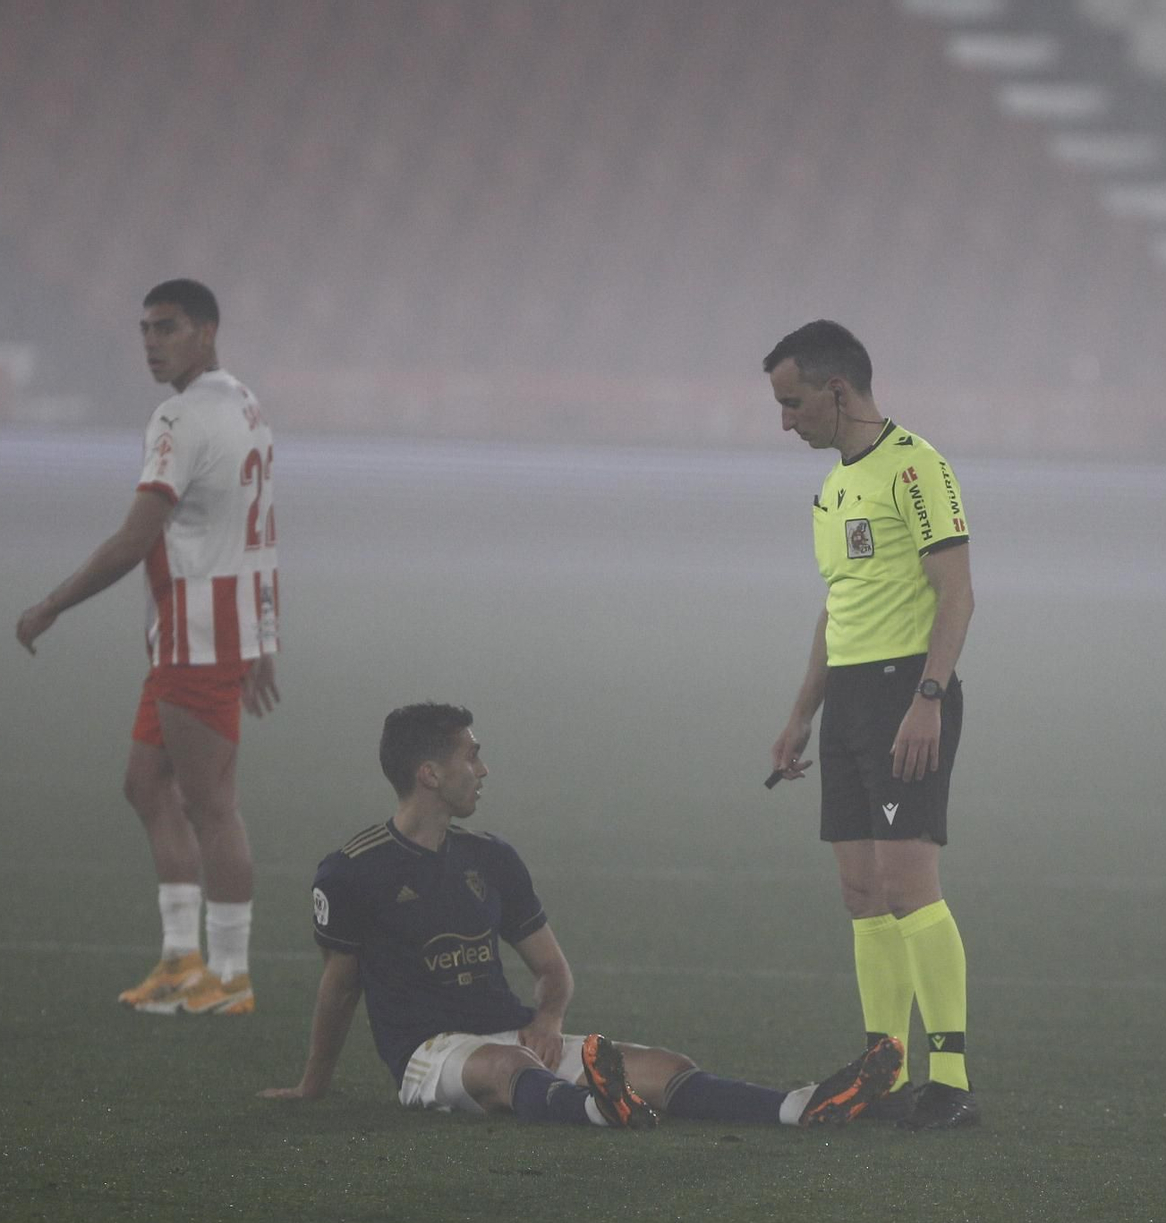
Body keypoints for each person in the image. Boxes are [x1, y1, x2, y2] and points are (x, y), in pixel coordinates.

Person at [260, 702, 905, 1129]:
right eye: (471, 755)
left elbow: (552, 969)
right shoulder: (351, 871)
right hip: (428, 1055)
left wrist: (547, 1018)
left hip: (511, 1033)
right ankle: (602, 1110)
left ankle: (800, 1107)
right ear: (429, 774)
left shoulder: (492, 858)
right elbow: (339, 989)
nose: (483, 769)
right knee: (506, 1071)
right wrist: (312, 1084)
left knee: (664, 1066)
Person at [15, 279, 280, 1015]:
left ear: (206, 330)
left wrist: (52, 605)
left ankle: (229, 978)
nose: (151, 343)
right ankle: (180, 960)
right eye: (144, 330)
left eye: (166, 328)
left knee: (212, 806)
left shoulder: (179, 416)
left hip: (197, 638)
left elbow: (136, 539)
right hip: (202, 634)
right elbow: (257, 528)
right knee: (144, 783)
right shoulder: (246, 403)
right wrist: (264, 633)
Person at [763, 320, 978, 1130]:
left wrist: (928, 696)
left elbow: (956, 593)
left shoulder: (916, 467)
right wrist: (799, 716)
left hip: (904, 693)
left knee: (906, 886)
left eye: (793, 403)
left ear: (837, 391)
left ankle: (950, 1080)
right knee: (861, 893)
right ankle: (885, 1068)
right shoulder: (832, 489)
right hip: (850, 700)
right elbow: (837, 608)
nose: (787, 421)